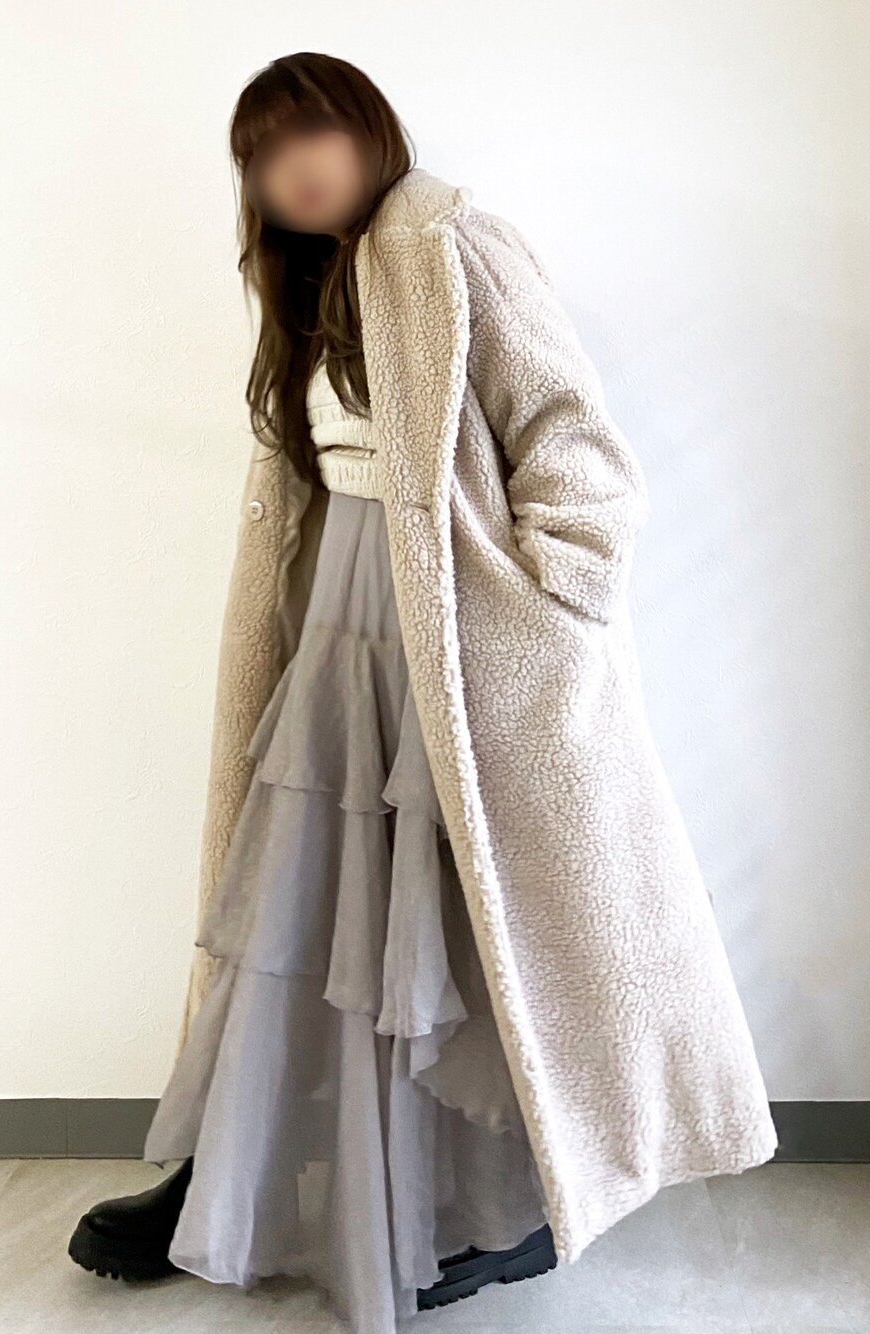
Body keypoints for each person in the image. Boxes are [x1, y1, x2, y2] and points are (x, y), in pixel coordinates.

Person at [68, 48, 777, 1334]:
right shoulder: (312, 282)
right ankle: (229, 1179)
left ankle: (509, 1202)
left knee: (463, 919)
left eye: (314, 134)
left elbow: (572, 442)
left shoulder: (455, 245)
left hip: (457, 635)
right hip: (339, 623)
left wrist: (550, 608)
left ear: (368, 130)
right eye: (264, 155)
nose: (294, 169)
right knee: (303, 909)